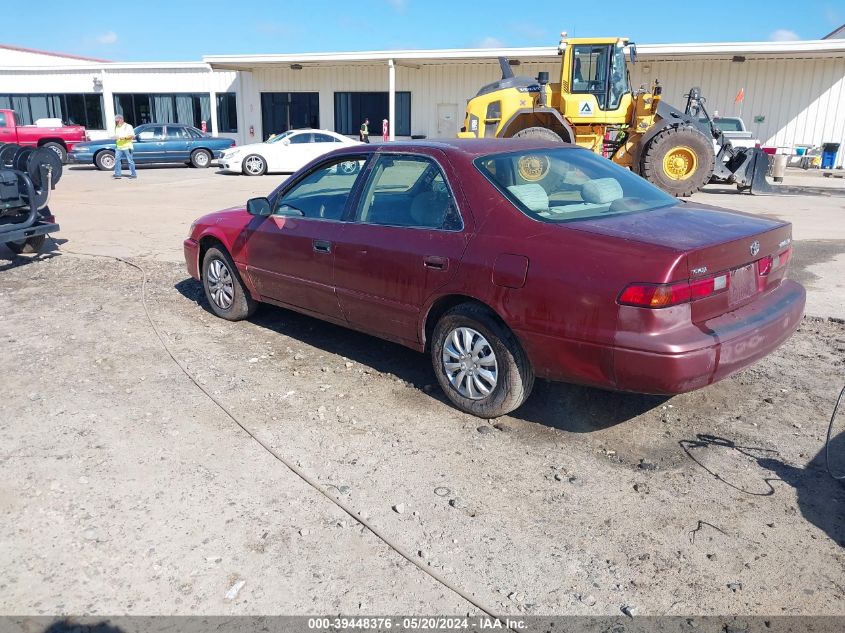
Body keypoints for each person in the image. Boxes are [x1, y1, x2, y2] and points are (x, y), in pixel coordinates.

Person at [113, 114, 136, 179]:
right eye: (116, 121)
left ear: (121, 120)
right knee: (117, 160)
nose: (116, 122)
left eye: (117, 121)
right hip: (119, 147)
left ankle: (133, 174)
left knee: (130, 161)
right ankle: (118, 174)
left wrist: (124, 138)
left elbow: (132, 136)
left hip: (127, 146)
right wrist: (115, 137)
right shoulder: (116, 127)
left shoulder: (128, 126)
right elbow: (117, 136)